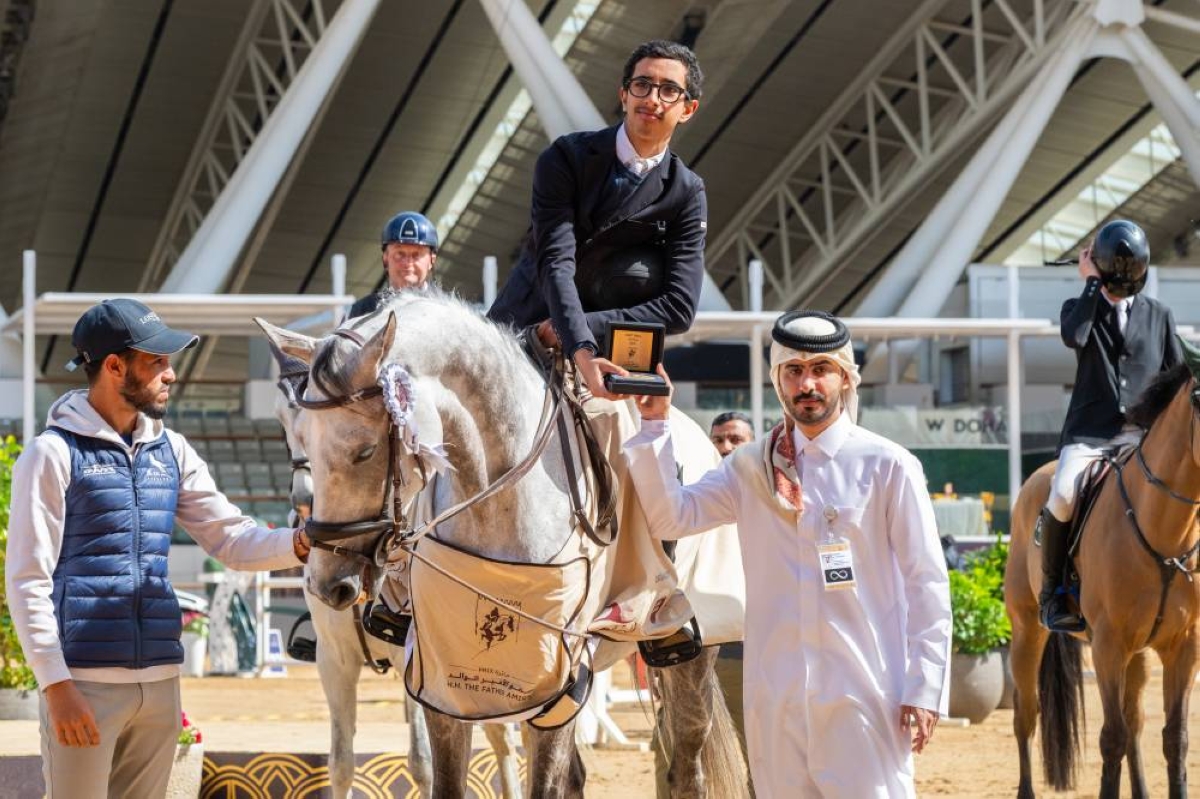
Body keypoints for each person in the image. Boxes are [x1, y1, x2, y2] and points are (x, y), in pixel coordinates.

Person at [624, 310, 951, 796]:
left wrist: (925, 687)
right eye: (793, 371)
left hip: (865, 694)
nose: (807, 384)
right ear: (778, 380)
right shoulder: (749, 468)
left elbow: (926, 582)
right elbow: (673, 517)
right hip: (775, 699)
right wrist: (654, 425)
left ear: (845, 377)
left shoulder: (888, 466)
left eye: (821, 369)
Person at [4, 298, 311, 798]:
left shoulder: (173, 450)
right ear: (114, 366)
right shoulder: (51, 453)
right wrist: (55, 684)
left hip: (161, 684)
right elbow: (27, 579)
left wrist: (301, 544)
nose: (171, 374)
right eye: (157, 361)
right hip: (82, 684)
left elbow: (231, 539)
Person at [487, 39, 707, 400]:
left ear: (688, 109)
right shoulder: (565, 157)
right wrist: (578, 345)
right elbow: (556, 263)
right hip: (519, 332)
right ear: (624, 95)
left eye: (669, 90)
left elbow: (679, 308)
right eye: (642, 85)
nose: (652, 98)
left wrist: (576, 330)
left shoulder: (687, 191)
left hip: (610, 360)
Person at [1037, 219, 1181, 632]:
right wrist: (1090, 283)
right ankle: (1054, 592)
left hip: (1143, 436)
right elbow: (1075, 336)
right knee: (1063, 494)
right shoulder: (1079, 308)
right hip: (1090, 436)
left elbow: (1173, 378)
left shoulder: (1159, 315)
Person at [346, 211, 438, 318]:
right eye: (400, 254)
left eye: (416, 255)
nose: (407, 262)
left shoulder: (446, 309)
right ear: (385, 258)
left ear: (432, 260)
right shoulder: (362, 311)